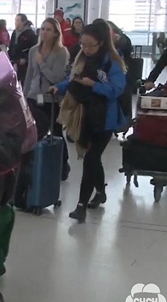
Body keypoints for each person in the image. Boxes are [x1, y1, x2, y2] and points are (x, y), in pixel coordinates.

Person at [50, 21, 127, 223]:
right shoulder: (81, 58)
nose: (85, 48)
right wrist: (60, 87)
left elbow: (117, 90)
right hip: (85, 116)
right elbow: (73, 79)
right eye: (82, 44)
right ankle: (100, 192)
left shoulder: (113, 62)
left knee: (91, 158)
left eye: (90, 45)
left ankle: (81, 205)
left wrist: (94, 85)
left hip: (106, 119)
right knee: (93, 159)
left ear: (101, 43)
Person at [23, 18, 71, 180]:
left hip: (51, 98)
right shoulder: (33, 50)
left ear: (56, 33)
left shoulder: (61, 52)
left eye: (48, 29)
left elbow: (56, 77)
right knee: (33, 132)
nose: (44, 32)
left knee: (56, 132)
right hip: (33, 96)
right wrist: (23, 95)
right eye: (42, 29)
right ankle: (33, 164)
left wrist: (42, 63)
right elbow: (29, 75)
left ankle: (63, 165)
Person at [9, 13, 38, 83]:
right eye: (15, 20)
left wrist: (26, 59)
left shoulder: (30, 34)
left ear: (24, 22)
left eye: (18, 21)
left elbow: (33, 49)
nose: (15, 22)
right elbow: (11, 46)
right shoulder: (14, 32)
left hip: (24, 65)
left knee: (23, 82)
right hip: (14, 62)